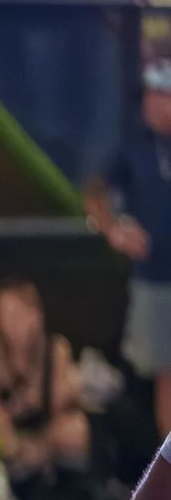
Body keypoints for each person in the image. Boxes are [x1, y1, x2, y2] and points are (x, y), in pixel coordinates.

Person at [0, 278, 93, 500]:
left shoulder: (55, 349)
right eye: (6, 314)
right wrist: (18, 408)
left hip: (45, 438)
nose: (14, 323)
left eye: (20, 314)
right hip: (9, 438)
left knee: (77, 429)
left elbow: (58, 403)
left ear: (36, 315)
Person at [90, 58, 171, 440]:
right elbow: (94, 192)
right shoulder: (133, 147)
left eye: (165, 93)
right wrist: (114, 230)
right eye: (153, 94)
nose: (159, 103)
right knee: (165, 375)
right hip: (155, 278)